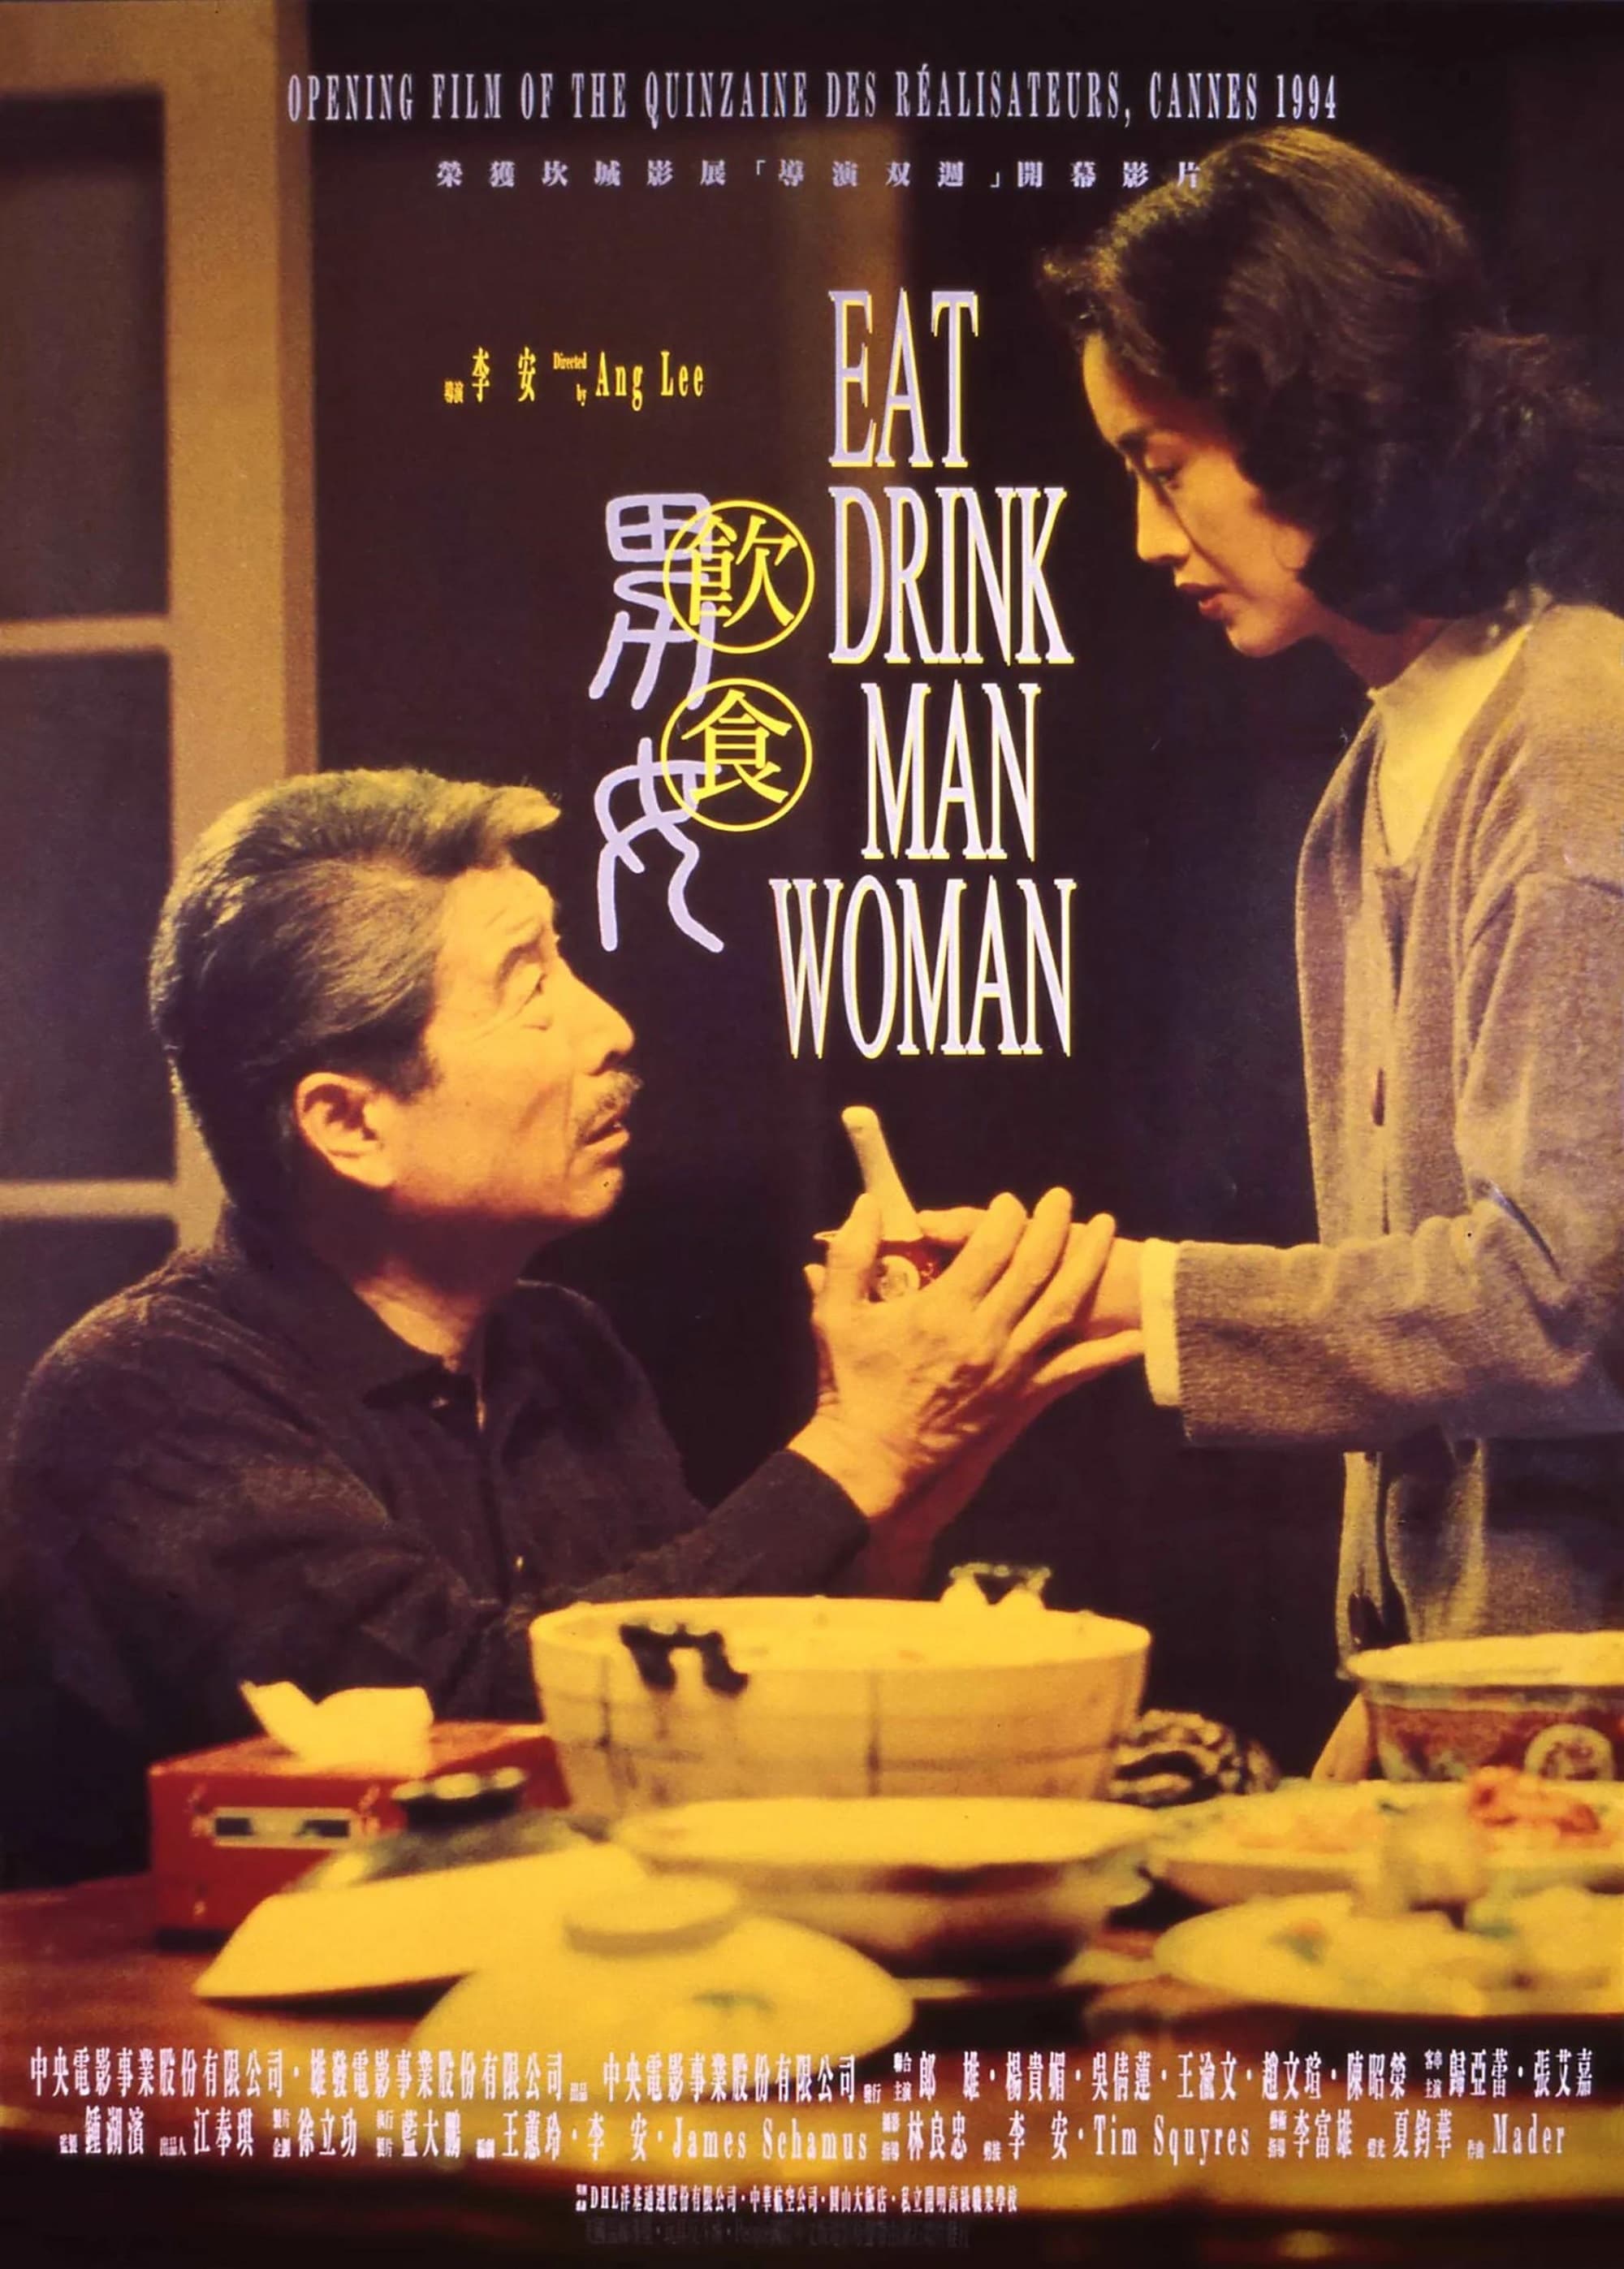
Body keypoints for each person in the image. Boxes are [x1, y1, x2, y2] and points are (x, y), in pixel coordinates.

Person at [3, 769, 1140, 1879]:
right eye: (530, 987)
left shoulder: (560, 1346)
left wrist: (893, 1520)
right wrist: (859, 1448)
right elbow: (454, 1728)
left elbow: (692, 1729)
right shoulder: (145, 1392)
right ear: (351, 1123)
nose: (610, 1027)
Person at [1038, 127, 1624, 1774]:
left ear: (1305, 412)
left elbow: (1563, 1304)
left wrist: (1136, 1296)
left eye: (1162, 464)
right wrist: (1392, 1685)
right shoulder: (1387, 762)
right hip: (1480, 1706)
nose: (1145, 535)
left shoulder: (1576, 739)